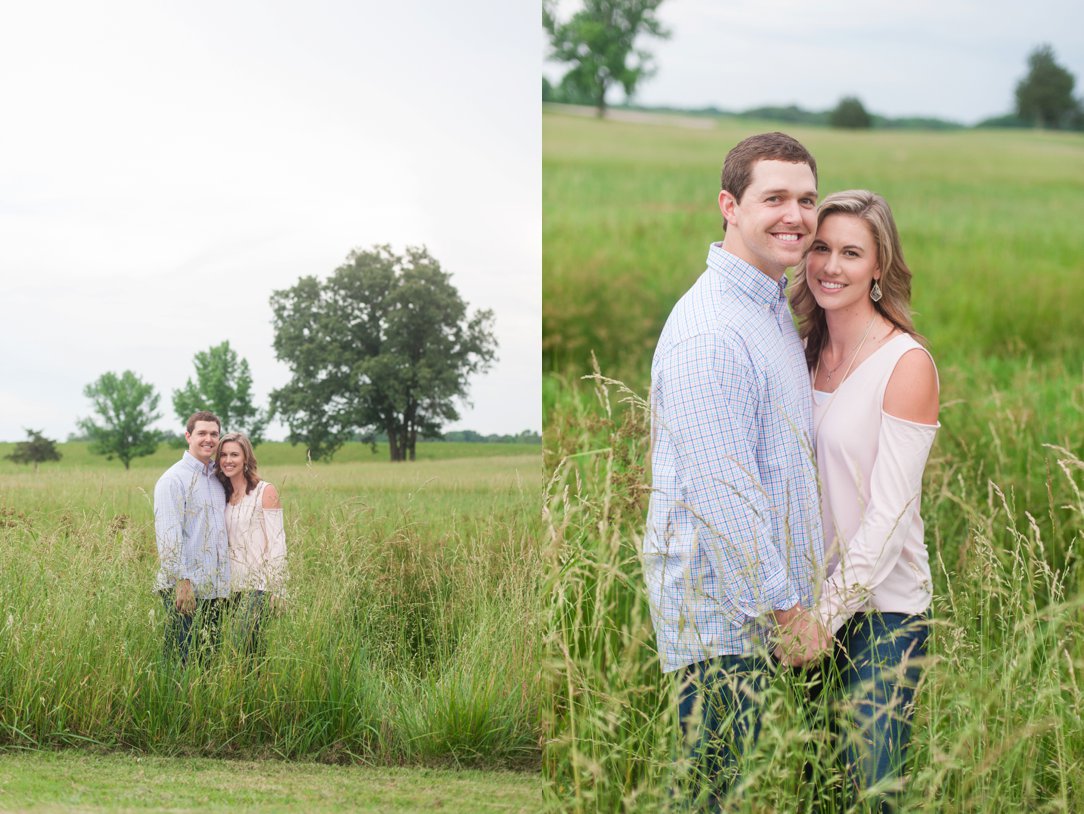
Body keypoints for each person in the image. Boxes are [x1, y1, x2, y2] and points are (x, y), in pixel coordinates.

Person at [642, 131, 827, 804]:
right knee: (707, 795)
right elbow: (727, 499)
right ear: (730, 205)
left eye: (806, 199)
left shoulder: (769, 307)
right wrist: (786, 613)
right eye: (774, 197)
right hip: (722, 623)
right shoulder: (712, 330)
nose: (796, 216)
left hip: (772, 616)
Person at [788, 190, 940, 810]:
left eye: (852, 252)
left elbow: (888, 514)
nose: (830, 265)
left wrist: (826, 617)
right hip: (796, 610)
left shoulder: (906, 363)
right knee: (806, 786)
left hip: (881, 613)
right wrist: (796, 609)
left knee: (868, 793)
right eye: (820, 247)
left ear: (879, 267)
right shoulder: (796, 352)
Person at [154, 410, 230, 666]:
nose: (208, 439)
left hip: (214, 589)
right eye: (202, 433)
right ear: (188, 436)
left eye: (214, 434)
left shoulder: (218, 479)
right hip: (185, 588)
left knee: (207, 662)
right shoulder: (173, 479)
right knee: (183, 661)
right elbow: (168, 536)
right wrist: (182, 582)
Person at [215, 431, 287, 658]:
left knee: (243, 644)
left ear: (246, 458)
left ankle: (256, 689)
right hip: (227, 587)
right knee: (238, 650)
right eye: (223, 455)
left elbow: (278, 543)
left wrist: (280, 589)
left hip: (258, 586)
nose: (228, 460)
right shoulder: (220, 494)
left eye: (234, 454)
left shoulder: (265, 491)